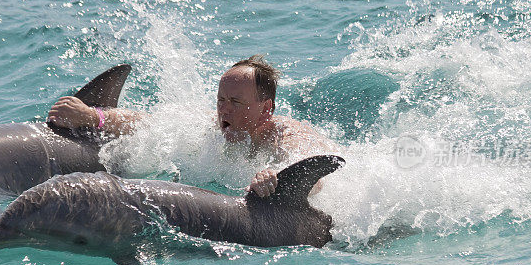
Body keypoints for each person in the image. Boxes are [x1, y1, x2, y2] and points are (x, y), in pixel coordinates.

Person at [47, 55, 336, 197]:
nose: (223, 108)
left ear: (266, 108)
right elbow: (150, 123)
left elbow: (312, 171)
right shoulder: (215, 124)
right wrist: (93, 116)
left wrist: (278, 176)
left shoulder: (286, 134)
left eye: (235, 101)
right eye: (220, 99)